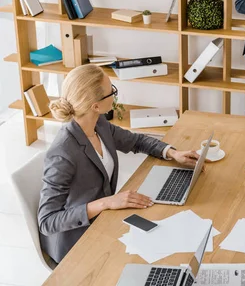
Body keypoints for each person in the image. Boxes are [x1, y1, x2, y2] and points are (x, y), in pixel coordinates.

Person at [38, 65, 200, 263]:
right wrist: (106, 202)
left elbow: (136, 141)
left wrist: (173, 153)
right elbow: (47, 221)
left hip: (105, 220)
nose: (115, 96)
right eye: (112, 91)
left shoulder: (99, 124)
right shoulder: (62, 153)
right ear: (95, 106)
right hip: (76, 243)